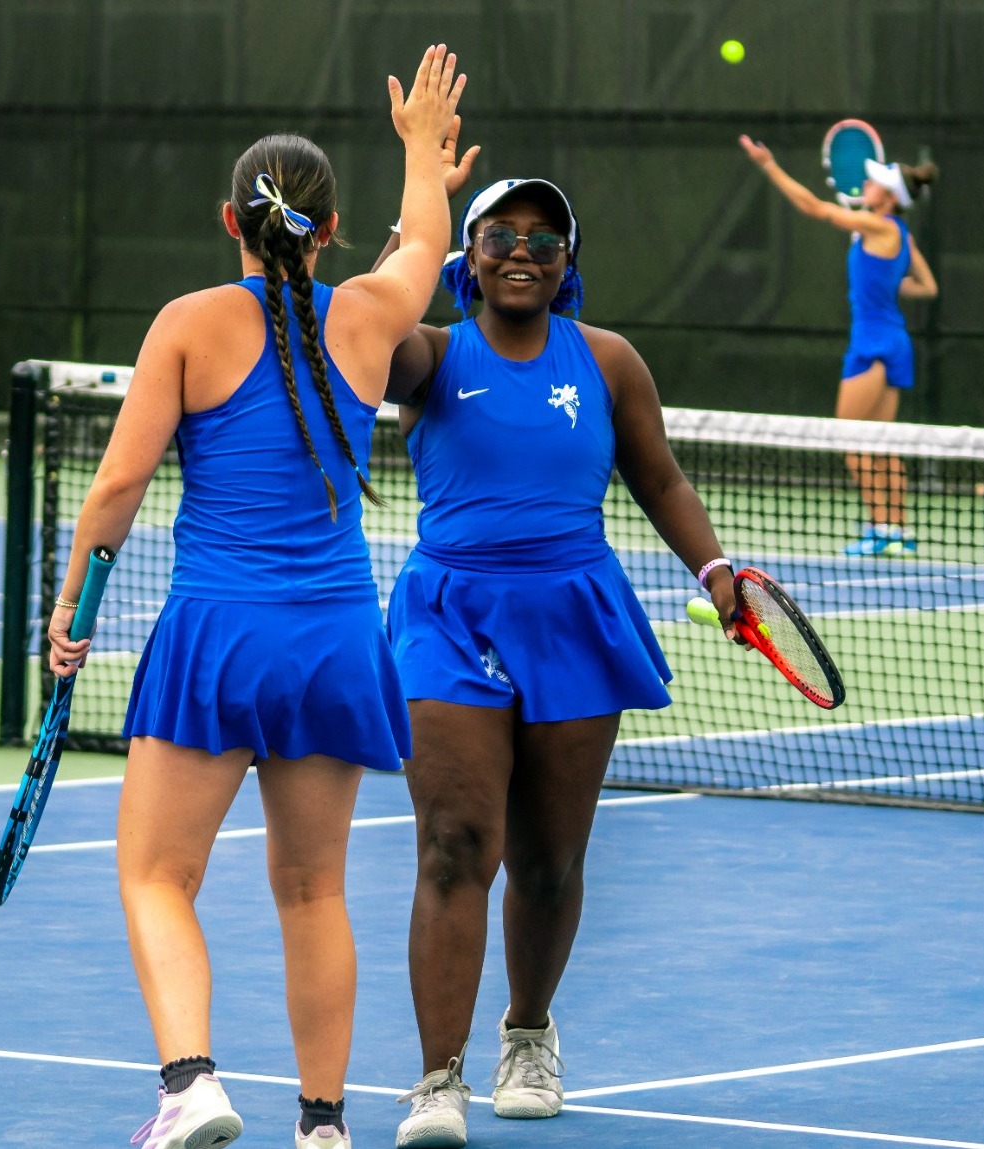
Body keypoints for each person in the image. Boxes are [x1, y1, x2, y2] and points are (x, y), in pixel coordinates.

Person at [45, 46, 467, 1149]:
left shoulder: (187, 323)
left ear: (228, 220)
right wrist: (422, 148)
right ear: (328, 233)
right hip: (332, 644)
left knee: (152, 873)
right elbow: (426, 238)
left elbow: (119, 484)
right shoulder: (374, 316)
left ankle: (190, 1084)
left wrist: (74, 611)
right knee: (311, 892)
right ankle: (322, 1127)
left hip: (217, 639)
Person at [373, 173, 744, 1147]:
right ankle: (437, 1079)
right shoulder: (429, 355)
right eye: (500, 235)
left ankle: (527, 1034)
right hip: (447, 615)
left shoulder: (609, 363)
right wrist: (416, 199)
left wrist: (713, 571)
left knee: (548, 858)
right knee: (456, 842)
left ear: (567, 259)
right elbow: (365, 334)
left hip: (574, 614)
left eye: (544, 239)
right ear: (466, 255)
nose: (522, 254)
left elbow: (657, 476)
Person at [741, 135, 938, 556]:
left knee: (849, 442)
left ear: (887, 198)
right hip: (895, 341)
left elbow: (815, 208)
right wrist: (882, 287)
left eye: (874, 184)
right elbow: (928, 286)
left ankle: (880, 527)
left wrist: (769, 166)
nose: (865, 186)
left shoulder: (876, 224)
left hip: (871, 344)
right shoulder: (900, 234)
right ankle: (898, 530)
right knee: (882, 443)